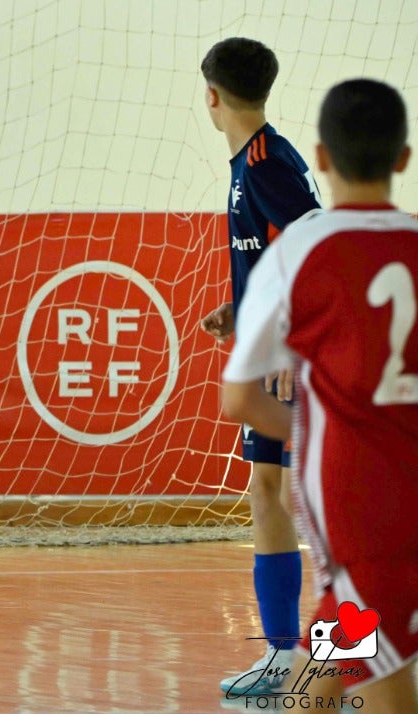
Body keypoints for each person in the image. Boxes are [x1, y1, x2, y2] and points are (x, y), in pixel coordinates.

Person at [221, 78, 418, 712]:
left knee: (379, 679)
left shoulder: (302, 252)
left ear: (323, 159)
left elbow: (241, 401)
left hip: (362, 502)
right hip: (392, 511)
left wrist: (329, 423)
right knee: (332, 661)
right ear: (403, 160)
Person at [197, 37, 322, 696]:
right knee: (271, 492)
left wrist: (288, 335)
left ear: (211, 96)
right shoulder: (252, 161)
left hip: (295, 358)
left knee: (305, 503)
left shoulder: (266, 162)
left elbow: (315, 244)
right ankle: (293, 656)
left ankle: (317, 657)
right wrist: (242, 309)